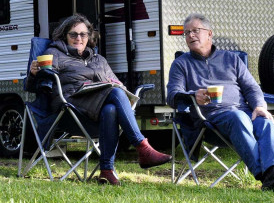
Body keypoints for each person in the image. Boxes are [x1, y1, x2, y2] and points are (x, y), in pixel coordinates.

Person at [27, 14, 171, 185]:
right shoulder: (54, 54)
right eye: (73, 34)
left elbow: (116, 83)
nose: (78, 38)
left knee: (111, 108)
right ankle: (143, 147)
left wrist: (120, 89)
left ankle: (106, 170)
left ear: (89, 37)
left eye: (83, 34)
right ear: (64, 35)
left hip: (96, 115)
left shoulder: (99, 59)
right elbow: (35, 86)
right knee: (115, 94)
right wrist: (33, 73)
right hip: (70, 110)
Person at [166, 13, 274, 190]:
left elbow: (251, 87)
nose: (190, 35)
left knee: (265, 119)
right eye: (187, 33)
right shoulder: (181, 64)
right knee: (238, 117)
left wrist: (259, 106)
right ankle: (267, 176)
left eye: (195, 31)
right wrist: (192, 95)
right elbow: (172, 95)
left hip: (243, 112)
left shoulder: (231, 59)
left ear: (209, 34)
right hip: (210, 121)